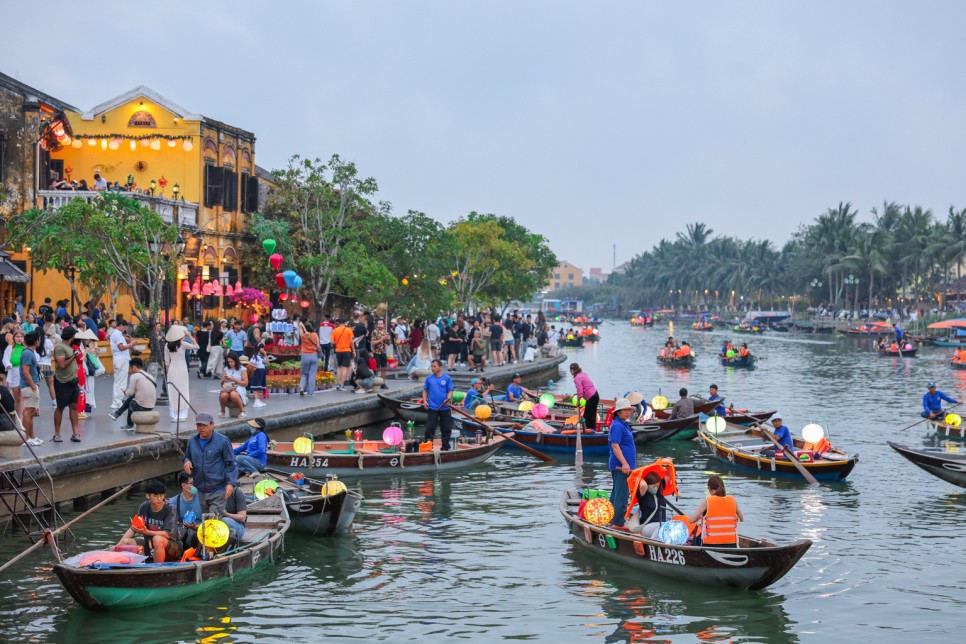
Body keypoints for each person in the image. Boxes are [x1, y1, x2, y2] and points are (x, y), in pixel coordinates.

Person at [183, 412, 238, 516]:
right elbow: (187, 456)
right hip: (199, 490)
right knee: (204, 519)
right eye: (199, 425)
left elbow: (231, 464)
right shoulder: (192, 441)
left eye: (204, 425)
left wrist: (230, 483)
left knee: (213, 521)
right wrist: (187, 461)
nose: (201, 428)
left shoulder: (223, 441)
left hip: (218, 489)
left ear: (212, 424)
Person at [115, 479, 182, 563]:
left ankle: (157, 568)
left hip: (172, 547)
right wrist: (117, 546)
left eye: (161, 495)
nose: (159, 498)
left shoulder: (170, 509)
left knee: (158, 539)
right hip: (149, 545)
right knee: (126, 542)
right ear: (148, 496)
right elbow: (134, 528)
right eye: (155, 496)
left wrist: (147, 532)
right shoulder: (144, 507)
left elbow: (168, 534)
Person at [688, 475, 744, 547]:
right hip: (731, 544)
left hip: (710, 545)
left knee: (697, 532)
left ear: (709, 488)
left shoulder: (707, 501)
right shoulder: (732, 500)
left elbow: (691, 520)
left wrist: (701, 516)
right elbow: (741, 519)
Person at [607, 398, 637, 527]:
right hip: (621, 466)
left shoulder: (623, 424)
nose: (627, 412)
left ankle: (611, 518)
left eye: (628, 410)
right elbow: (615, 446)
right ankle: (618, 523)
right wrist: (624, 464)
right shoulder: (618, 426)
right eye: (624, 410)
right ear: (618, 412)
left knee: (616, 493)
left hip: (623, 465)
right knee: (622, 495)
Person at [52, 326, 81, 442]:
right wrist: (74, 356)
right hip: (62, 381)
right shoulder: (59, 347)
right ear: (72, 336)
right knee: (60, 407)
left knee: (74, 406)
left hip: (73, 381)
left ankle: (76, 433)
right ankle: (57, 434)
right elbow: (62, 364)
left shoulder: (69, 347)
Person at [110, 358, 156, 430]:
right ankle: (117, 414)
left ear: (134, 367)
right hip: (151, 405)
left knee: (131, 402)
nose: (131, 370)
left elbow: (130, 393)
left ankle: (129, 424)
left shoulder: (134, 376)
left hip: (142, 406)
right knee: (131, 399)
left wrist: (125, 391)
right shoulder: (150, 376)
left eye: (131, 368)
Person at [165, 325, 198, 422]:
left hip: (172, 369)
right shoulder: (182, 344)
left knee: (173, 391)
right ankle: (182, 414)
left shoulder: (167, 346)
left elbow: (167, 362)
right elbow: (197, 346)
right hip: (182, 369)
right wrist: (190, 335)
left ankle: (174, 414)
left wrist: (167, 374)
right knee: (183, 390)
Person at [421, 359, 454, 450]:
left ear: (440, 367)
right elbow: (425, 391)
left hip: (444, 407)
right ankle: (428, 446)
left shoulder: (447, 378)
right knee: (430, 428)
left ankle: (445, 447)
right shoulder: (429, 378)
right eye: (431, 367)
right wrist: (424, 401)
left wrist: (448, 399)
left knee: (446, 428)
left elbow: (450, 391)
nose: (432, 368)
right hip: (433, 407)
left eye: (434, 366)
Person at [626, 471, 667, 538]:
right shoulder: (643, 494)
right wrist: (639, 479)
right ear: (647, 484)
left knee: (669, 525)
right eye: (654, 486)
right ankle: (653, 543)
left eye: (658, 486)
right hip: (647, 526)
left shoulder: (659, 494)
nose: (656, 488)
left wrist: (668, 462)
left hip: (661, 524)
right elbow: (643, 485)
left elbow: (668, 475)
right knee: (661, 526)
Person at [168, 471, 202, 550]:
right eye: (193, 483)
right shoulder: (174, 502)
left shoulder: (203, 499)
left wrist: (195, 527)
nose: (196, 485)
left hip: (202, 534)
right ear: (184, 485)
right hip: (183, 537)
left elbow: (211, 521)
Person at [19, 331, 42, 446]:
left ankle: (31, 436)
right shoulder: (28, 353)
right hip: (29, 386)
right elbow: (25, 372)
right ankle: (26, 438)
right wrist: (33, 386)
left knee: (32, 412)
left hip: (30, 386)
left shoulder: (29, 352)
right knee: (28, 412)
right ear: (36, 341)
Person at [109, 319, 133, 410]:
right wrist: (131, 344)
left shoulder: (117, 334)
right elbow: (121, 347)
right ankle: (117, 402)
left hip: (119, 359)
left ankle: (117, 401)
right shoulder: (117, 334)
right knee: (120, 381)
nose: (125, 329)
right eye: (124, 327)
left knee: (119, 381)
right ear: (121, 325)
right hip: (121, 359)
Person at [2, 328, 26, 418]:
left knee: (23, 398)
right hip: (14, 374)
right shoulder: (10, 348)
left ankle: (23, 418)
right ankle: (18, 418)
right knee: (17, 399)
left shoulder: (26, 348)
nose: (19, 338)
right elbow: (5, 359)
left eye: (21, 337)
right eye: (17, 336)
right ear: (14, 338)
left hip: (25, 374)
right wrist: (8, 365)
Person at [570, 363, 600, 430]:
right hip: (595, 394)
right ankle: (591, 429)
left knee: (588, 416)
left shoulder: (577, 378)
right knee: (590, 414)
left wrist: (578, 401)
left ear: (572, 370)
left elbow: (580, 391)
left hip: (591, 397)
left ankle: (590, 430)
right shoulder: (583, 374)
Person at [219, 353, 249, 418]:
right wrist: (223, 380)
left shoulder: (242, 369)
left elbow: (245, 383)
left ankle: (242, 411)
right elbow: (222, 384)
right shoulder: (226, 369)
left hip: (239, 387)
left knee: (233, 394)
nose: (230, 363)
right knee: (223, 395)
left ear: (236, 361)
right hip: (228, 387)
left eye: (232, 361)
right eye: (229, 362)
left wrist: (234, 380)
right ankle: (222, 410)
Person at [298, 320, 320, 396]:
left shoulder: (303, 336)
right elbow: (318, 346)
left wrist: (302, 326)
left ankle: (301, 388)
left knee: (304, 374)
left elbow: (300, 326)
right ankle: (311, 392)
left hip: (305, 355)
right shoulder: (315, 335)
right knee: (312, 374)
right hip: (314, 355)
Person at [331, 318, 354, 391]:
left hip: (338, 350)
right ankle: (342, 385)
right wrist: (353, 350)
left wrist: (337, 343)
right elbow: (351, 342)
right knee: (345, 368)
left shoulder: (335, 330)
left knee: (339, 367)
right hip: (347, 350)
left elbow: (332, 342)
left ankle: (337, 384)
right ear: (345, 323)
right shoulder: (348, 330)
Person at [370, 319, 390, 389]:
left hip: (383, 352)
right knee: (376, 368)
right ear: (377, 325)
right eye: (379, 324)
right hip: (376, 352)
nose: (380, 326)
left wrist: (388, 339)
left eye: (381, 324)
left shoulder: (386, 332)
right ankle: (375, 382)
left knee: (384, 368)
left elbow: (388, 343)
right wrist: (381, 339)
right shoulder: (374, 332)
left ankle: (383, 383)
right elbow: (373, 342)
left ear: (384, 325)